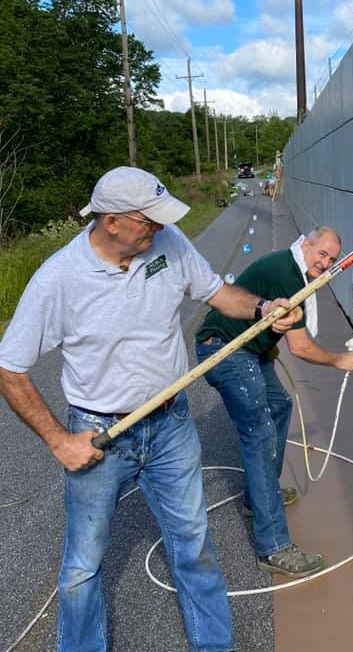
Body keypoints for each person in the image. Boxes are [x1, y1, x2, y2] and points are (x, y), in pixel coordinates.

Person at [0, 166, 301, 652]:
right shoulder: (58, 279)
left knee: (194, 544)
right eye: (148, 221)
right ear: (111, 222)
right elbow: (10, 368)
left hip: (171, 424)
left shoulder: (170, 243)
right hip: (101, 433)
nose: (159, 228)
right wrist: (60, 441)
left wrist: (265, 309)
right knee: (82, 567)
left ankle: (214, 646)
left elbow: (219, 294)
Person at [195, 227, 353, 578]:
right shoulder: (287, 275)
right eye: (322, 254)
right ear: (305, 245)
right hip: (224, 350)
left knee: (280, 404)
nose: (326, 263)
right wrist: (339, 360)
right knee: (260, 435)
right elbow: (300, 348)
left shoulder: (293, 270)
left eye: (332, 259)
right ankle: (273, 547)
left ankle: (260, 493)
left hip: (248, 350)